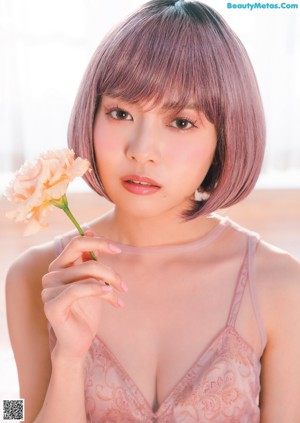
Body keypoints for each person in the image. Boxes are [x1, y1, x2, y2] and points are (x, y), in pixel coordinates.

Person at [5, 0, 300, 422]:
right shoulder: (33, 277)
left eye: (181, 122)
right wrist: (69, 358)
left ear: (226, 136)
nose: (141, 151)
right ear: (91, 115)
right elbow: (12, 413)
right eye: (120, 113)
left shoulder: (281, 284)